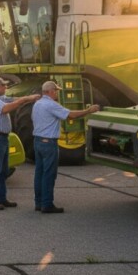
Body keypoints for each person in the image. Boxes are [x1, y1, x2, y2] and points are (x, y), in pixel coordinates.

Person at [32, 80, 100, 213]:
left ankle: (38, 202)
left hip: (38, 141)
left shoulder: (37, 104)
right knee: (49, 175)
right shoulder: (52, 104)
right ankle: (47, 204)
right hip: (49, 143)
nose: (57, 93)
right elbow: (71, 115)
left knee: (39, 173)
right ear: (51, 91)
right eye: (56, 90)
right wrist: (89, 110)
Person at [0, 77, 41, 210]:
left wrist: (28, 98)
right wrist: (24, 100)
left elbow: (12, 100)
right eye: (4, 86)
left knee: (2, 170)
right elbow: (5, 109)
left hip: (1, 138)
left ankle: (1, 198)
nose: (6, 88)